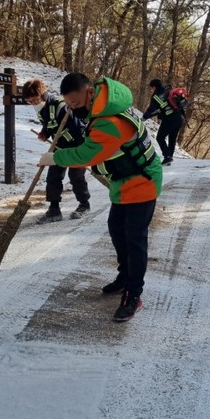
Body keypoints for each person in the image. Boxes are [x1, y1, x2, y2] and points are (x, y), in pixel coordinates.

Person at [38, 73, 162, 322]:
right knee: (117, 230)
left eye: (75, 102)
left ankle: (133, 294)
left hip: (142, 183)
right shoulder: (103, 110)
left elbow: (88, 155)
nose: (73, 108)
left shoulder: (109, 121)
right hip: (123, 184)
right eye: (69, 104)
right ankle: (124, 277)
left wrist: (55, 158)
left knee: (134, 239)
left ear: (90, 92)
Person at [22, 78, 90, 223]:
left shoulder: (60, 105)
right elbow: (49, 125)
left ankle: (84, 204)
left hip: (76, 144)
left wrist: (80, 150)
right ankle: (54, 210)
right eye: (30, 101)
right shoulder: (41, 109)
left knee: (75, 176)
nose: (33, 103)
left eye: (35, 99)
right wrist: (44, 133)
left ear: (42, 94)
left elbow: (78, 125)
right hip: (58, 145)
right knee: (53, 176)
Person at [142, 78, 184, 165]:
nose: (151, 89)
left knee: (160, 137)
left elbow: (152, 108)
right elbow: (160, 109)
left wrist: (145, 116)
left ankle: (167, 156)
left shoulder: (156, 95)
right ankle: (169, 158)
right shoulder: (168, 90)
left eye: (151, 88)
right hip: (179, 118)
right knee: (172, 139)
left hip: (169, 119)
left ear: (154, 87)